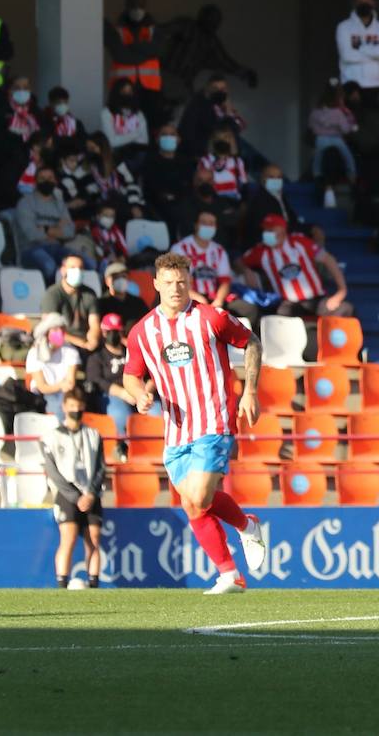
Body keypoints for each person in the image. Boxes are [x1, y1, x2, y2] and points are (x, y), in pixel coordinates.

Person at [124, 252, 267, 594]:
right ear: (156, 284)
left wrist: (250, 391)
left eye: (182, 282)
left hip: (213, 421)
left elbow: (252, 342)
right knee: (191, 503)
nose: (176, 289)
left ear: (190, 283)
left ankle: (246, 527)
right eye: (170, 283)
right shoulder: (142, 332)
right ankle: (230, 573)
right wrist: (138, 396)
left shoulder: (210, 318)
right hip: (175, 431)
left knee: (201, 496)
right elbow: (132, 375)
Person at [41, 387, 105, 589]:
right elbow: (52, 470)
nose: (75, 410)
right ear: (64, 407)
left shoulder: (93, 435)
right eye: (71, 406)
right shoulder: (51, 437)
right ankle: (62, 582)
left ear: (83, 407)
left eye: (78, 406)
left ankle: (94, 583)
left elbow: (101, 467)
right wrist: (75, 496)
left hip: (90, 494)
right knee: (68, 537)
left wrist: (91, 493)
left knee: (93, 539)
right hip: (66, 495)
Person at [240, 216, 352, 318]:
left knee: (346, 309)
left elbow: (329, 260)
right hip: (288, 304)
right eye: (265, 230)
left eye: (271, 229)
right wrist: (247, 272)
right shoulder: (260, 252)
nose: (266, 233)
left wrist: (341, 291)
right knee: (281, 316)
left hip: (318, 300)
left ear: (282, 229)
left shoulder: (300, 242)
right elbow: (239, 262)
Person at [86, 313, 160, 440]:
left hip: (141, 393)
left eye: (116, 331)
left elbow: (153, 373)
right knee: (121, 416)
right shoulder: (97, 357)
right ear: (103, 332)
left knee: (159, 413)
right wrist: (123, 393)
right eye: (109, 331)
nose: (113, 335)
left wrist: (142, 393)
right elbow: (96, 380)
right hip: (114, 395)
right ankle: (125, 447)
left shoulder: (133, 350)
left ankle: (157, 448)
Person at [172, 210, 254, 321]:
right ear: (196, 225)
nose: (208, 226)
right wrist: (199, 299)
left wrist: (219, 301)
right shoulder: (180, 249)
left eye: (211, 223)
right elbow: (177, 282)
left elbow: (225, 281)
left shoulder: (219, 250)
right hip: (190, 298)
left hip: (214, 298)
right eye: (204, 223)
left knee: (250, 310)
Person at [335, 0, 379, 126]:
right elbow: (347, 55)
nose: (364, 5)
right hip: (351, 88)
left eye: (368, 1)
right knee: (351, 132)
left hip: (375, 86)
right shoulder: (344, 27)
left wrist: (360, 48)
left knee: (375, 132)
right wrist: (374, 50)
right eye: (361, 2)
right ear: (355, 4)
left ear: (373, 3)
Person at [308, 81, 359, 204]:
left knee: (318, 159)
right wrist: (351, 121)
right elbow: (346, 129)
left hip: (320, 138)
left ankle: (316, 175)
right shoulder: (338, 112)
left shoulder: (316, 111)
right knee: (349, 159)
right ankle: (353, 180)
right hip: (336, 139)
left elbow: (311, 126)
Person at [26, 315, 81, 420]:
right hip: (43, 394)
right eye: (55, 329)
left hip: (65, 393)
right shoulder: (34, 353)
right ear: (47, 332)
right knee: (58, 410)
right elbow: (42, 386)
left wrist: (62, 387)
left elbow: (70, 383)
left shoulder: (71, 351)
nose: (59, 332)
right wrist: (60, 385)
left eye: (62, 329)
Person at [40, 255, 100, 352]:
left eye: (80, 268)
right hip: (61, 344)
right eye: (73, 267)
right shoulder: (52, 294)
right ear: (63, 270)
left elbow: (94, 324)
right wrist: (81, 343)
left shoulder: (90, 294)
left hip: (85, 343)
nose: (77, 271)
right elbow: (50, 330)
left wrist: (93, 340)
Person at [100, 78, 150, 159]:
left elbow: (144, 142)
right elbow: (112, 142)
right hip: (114, 156)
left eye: (130, 91)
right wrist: (136, 134)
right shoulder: (107, 113)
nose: (127, 94)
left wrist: (122, 139)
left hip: (136, 156)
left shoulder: (139, 114)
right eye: (123, 91)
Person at [95, 262, 149, 333]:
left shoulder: (138, 303)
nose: (120, 280)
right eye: (116, 277)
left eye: (123, 276)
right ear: (107, 281)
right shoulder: (101, 303)